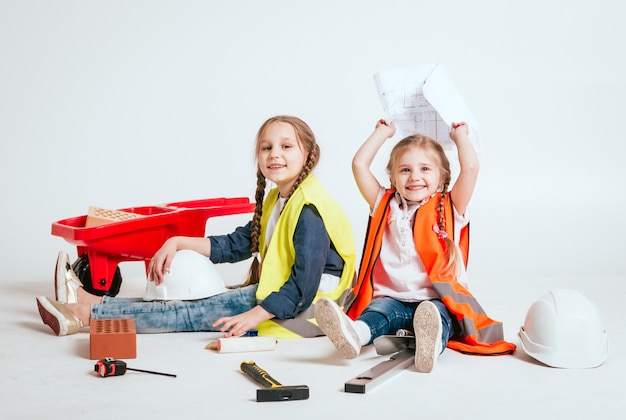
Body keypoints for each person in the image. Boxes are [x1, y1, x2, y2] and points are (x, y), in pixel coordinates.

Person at [36, 115, 357, 339]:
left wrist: (256, 314)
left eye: (287, 146)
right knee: (197, 301)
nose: (275, 154)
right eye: (267, 147)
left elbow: (303, 287)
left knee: (190, 313)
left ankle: (84, 315)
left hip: (309, 309)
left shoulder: (309, 208)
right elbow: (240, 243)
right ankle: (92, 303)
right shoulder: (280, 199)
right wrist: (178, 242)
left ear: (308, 154)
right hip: (285, 294)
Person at [315, 119, 515, 373]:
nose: (415, 177)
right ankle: (355, 334)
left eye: (425, 169)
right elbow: (358, 165)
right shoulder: (385, 204)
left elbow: (471, 168)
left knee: (436, 317)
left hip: (435, 301)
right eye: (405, 170)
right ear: (393, 177)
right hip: (393, 299)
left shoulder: (449, 206)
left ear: (442, 176)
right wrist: (382, 133)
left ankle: (429, 346)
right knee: (377, 313)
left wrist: (461, 137)